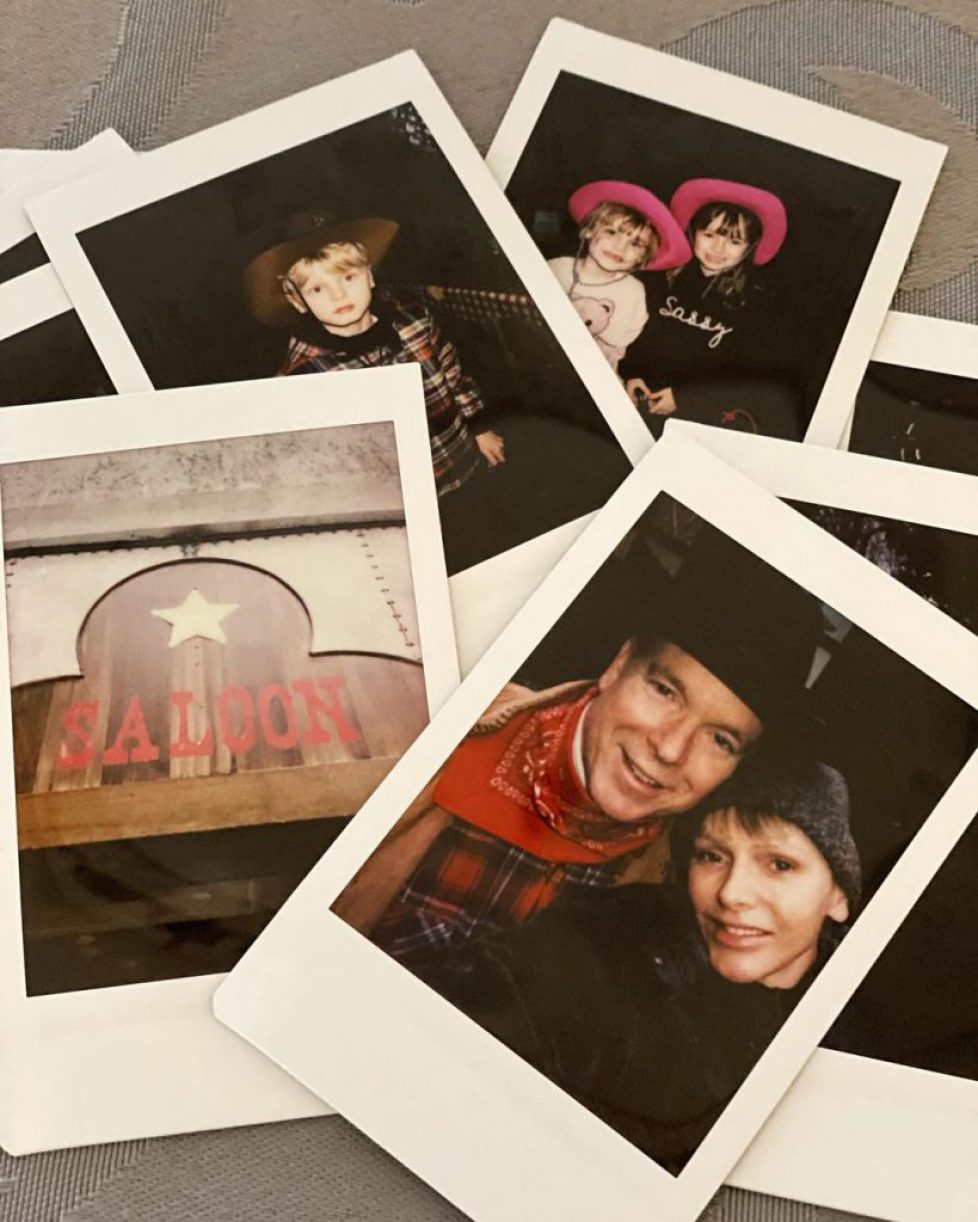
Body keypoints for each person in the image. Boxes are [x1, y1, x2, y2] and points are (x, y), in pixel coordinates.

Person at [332, 527, 823, 968]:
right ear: (618, 666)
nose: (671, 749)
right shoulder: (438, 724)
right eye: (664, 691)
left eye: (720, 739)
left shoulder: (684, 890)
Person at [424, 758, 860, 1172]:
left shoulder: (850, 1043)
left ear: (838, 896)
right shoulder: (614, 937)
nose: (731, 893)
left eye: (780, 865)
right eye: (712, 856)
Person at [244, 212, 506, 500]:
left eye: (348, 277)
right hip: (396, 489)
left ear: (369, 275)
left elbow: (454, 374)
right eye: (317, 288)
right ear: (297, 301)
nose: (338, 295)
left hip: (455, 452)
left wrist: (479, 427)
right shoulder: (302, 374)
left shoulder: (415, 322)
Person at [620, 178, 798, 438]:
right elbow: (632, 332)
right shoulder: (657, 278)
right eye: (709, 235)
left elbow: (745, 375)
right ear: (693, 232)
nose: (718, 248)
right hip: (635, 396)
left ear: (750, 248)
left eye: (735, 241)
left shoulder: (756, 303)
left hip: (698, 416)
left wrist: (684, 398)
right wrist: (632, 374)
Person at [547, 181, 691, 371]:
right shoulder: (555, 268)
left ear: (643, 257)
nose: (620, 247)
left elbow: (617, 349)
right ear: (589, 230)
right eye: (612, 232)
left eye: (635, 244)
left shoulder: (632, 293)